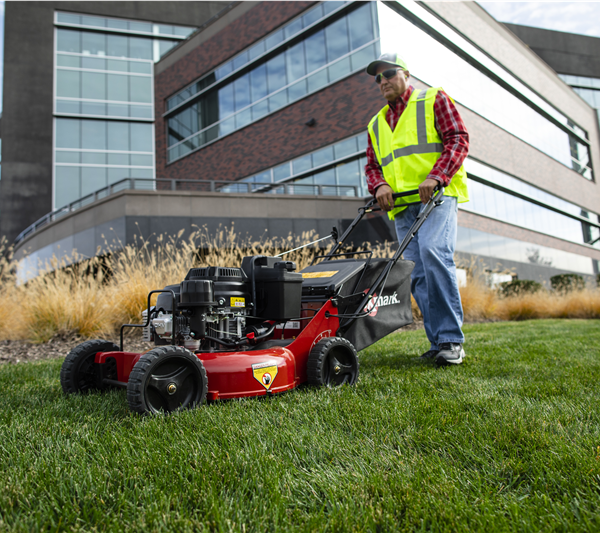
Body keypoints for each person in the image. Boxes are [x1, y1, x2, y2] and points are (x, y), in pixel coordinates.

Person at [364, 53, 470, 366]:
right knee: (417, 274)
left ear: (406, 74)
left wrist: (436, 175)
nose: (383, 81)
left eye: (389, 74)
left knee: (435, 253)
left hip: (437, 195)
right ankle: (438, 342)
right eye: (378, 78)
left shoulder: (432, 99)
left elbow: (458, 138)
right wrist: (380, 186)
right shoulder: (376, 123)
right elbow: (372, 166)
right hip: (403, 206)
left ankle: (452, 340)